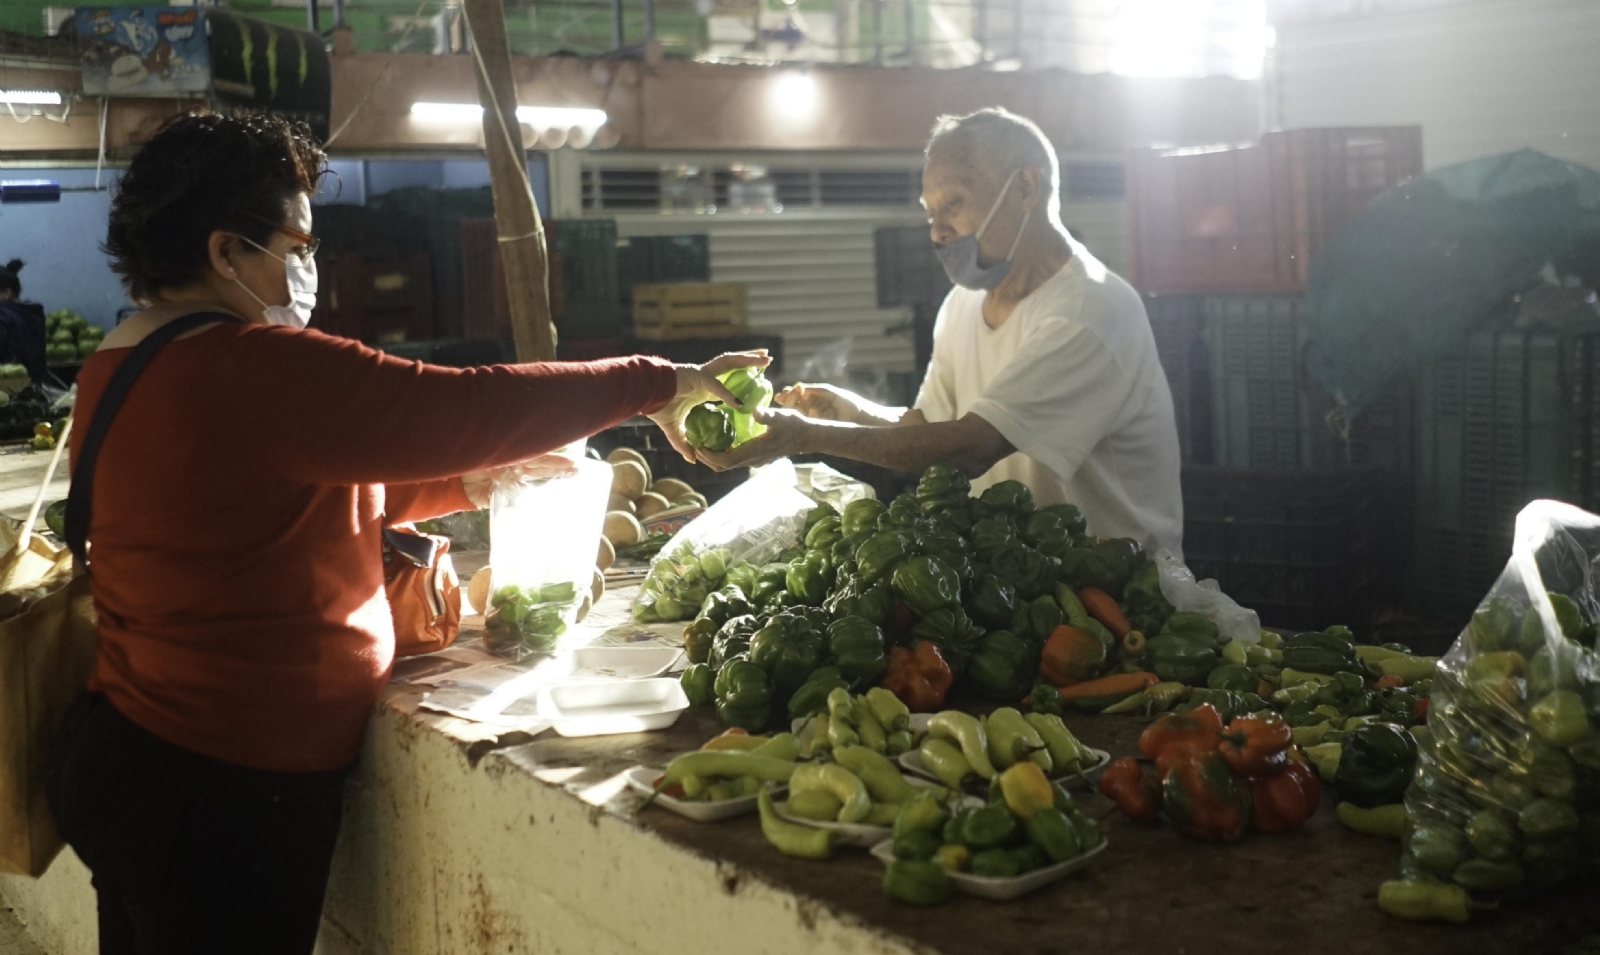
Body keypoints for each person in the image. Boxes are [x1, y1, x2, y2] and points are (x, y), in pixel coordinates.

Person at [45, 111, 766, 955]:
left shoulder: (126, 362)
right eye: (297, 243)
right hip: (216, 790)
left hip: (137, 763)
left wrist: (466, 482)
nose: (307, 265)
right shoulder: (245, 367)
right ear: (225, 252)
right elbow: (465, 404)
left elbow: (274, 501)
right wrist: (656, 381)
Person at [701, 107, 1183, 556]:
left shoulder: (1090, 309)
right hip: (1019, 580)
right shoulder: (963, 304)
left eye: (953, 203)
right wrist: (850, 412)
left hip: (1118, 594)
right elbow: (928, 428)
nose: (936, 231)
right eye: (930, 212)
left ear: (1025, 190)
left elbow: (971, 448)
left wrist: (809, 436)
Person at [0, 258, 48, 384]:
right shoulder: (33, 313)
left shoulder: (3, 315)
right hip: (34, 387)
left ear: (6, 292)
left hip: (7, 388)